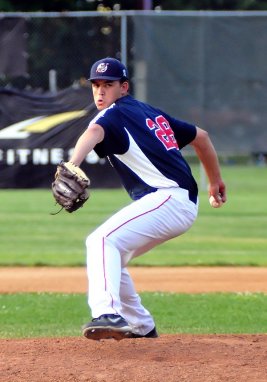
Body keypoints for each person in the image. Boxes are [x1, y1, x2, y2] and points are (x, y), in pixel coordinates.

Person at [69, 57, 226, 340]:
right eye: (96, 85)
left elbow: (93, 132)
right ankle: (142, 327)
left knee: (101, 241)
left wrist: (72, 164)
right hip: (177, 201)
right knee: (112, 255)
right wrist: (214, 181)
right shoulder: (149, 113)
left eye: (109, 84)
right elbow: (201, 137)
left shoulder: (111, 115)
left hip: (168, 198)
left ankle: (108, 313)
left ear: (124, 87)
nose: (101, 91)